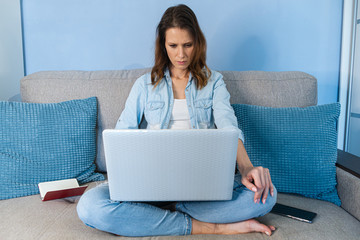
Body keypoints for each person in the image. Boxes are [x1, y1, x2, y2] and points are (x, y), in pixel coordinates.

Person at [77, 4, 277, 237]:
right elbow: (122, 136)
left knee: (267, 196)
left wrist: (247, 167)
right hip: (150, 185)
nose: (181, 55)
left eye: (187, 45)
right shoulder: (144, 85)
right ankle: (207, 226)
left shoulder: (214, 83)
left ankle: (161, 213)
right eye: (173, 46)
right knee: (89, 206)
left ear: (197, 43)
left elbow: (228, 126)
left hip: (199, 188)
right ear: (163, 45)